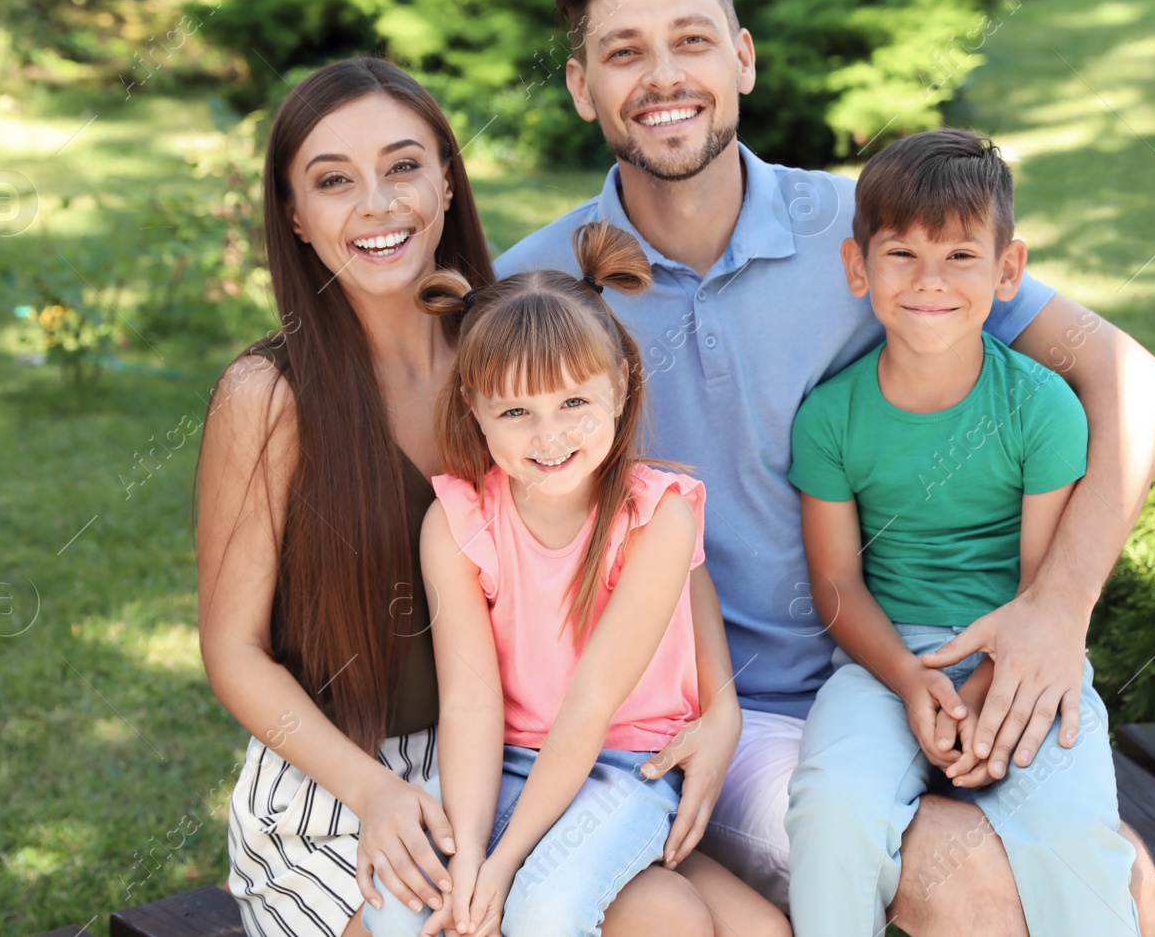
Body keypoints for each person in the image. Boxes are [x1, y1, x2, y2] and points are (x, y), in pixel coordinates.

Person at [495, 0, 1155, 935]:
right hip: (708, 725)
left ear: (743, 57)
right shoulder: (538, 291)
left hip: (914, 660)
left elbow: (1134, 380)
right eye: (622, 52)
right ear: (580, 85)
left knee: (1122, 880)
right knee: (973, 887)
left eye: (690, 39)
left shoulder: (865, 237)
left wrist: (1055, 608)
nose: (662, 75)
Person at [195, 57, 761, 937]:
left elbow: (645, 527)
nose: (379, 204)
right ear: (297, 217)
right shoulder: (269, 397)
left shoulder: (513, 356)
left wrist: (719, 704)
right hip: (340, 769)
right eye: (334, 181)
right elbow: (233, 650)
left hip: (535, 752)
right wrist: (373, 790)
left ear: (449, 184)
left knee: (684, 917)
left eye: (404, 165)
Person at [366, 221, 789, 937]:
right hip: (497, 765)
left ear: (620, 384)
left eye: (572, 403)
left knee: (546, 913)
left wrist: (502, 870)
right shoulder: (459, 520)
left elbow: (591, 704)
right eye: (516, 412)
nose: (550, 436)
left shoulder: (657, 516)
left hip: (626, 768)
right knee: (405, 912)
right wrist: (469, 854)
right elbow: (469, 700)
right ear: (473, 405)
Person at [785, 129, 1139, 935]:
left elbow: (1041, 587)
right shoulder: (831, 418)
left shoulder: (1042, 407)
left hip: (1026, 660)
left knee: (1078, 840)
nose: (929, 281)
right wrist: (914, 684)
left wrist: (985, 694)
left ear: (1008, 270)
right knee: (831, 810)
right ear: (857, 266)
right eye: (901, 254)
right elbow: (837, 584)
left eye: (959, 257)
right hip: (884, 661)